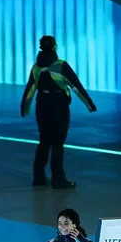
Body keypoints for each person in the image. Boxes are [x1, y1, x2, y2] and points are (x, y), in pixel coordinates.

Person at [21, 35, 96, 189]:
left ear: (41, 47)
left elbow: (30, 90)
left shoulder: (36, 67)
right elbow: (76, 86)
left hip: (42, 106)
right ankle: (58, 179)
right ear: (54, 46)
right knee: (57, 143)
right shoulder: (61, 65)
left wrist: (25, 107)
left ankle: (38, 177)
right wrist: (89, 104)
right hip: (59, 106)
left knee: (44, 142)